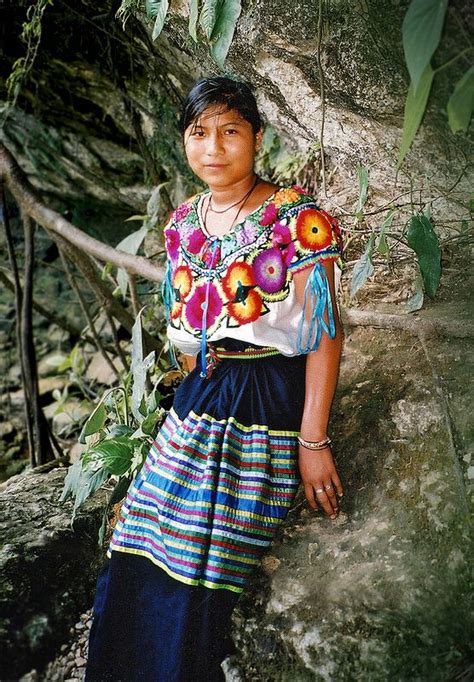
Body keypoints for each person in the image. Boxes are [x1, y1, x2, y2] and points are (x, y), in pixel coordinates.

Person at [85, 76, 345, 682]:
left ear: (256, 137)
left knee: (206, 559)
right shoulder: (183, 223)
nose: (214, 147)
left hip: (264, 397)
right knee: (140, 549)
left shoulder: (299, 220)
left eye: (230, 131)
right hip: (202, 392)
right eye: (199, 133)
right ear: (184, 142)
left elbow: (326, 334)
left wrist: (313, 440)